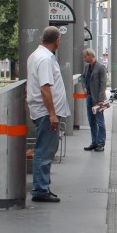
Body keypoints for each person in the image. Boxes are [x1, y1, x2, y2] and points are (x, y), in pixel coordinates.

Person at [27, 26, 70, 203]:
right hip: (46, 113)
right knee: (44, 151)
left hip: (43, 111)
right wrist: (52, 114)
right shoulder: (45, 59)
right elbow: (45, 88)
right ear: (57, 40)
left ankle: (42, 187)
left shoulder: (36, 55)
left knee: (44, 150)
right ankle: (40, 190)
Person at [82, 48, 107, 152]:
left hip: (97, 99)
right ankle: (94, 142)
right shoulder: (87, 67)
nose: (84, 58)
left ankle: (101, 143)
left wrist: (101, 99)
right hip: (89, 97)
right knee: (91, 121)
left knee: (99, 121)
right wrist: (84, 87)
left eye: (85, 56)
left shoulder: (100, 67)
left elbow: (103, 84)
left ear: (90, 56)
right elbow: (82, 78)